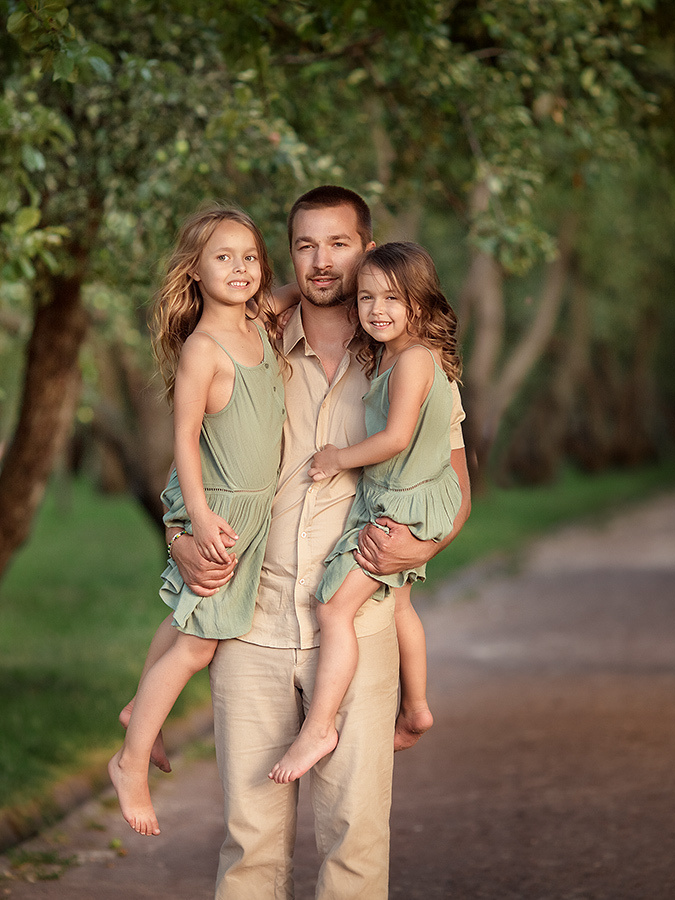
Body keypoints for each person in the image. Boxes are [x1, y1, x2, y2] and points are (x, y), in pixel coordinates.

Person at [168, 186, 471, 899]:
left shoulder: (406, 356)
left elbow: (456, 483)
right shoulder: (250, 345)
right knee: (249, 841)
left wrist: (424, 548)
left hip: (359, 622)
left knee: (355, 839)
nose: (322, 261)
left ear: (368, 250)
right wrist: (181, 537)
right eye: (305, 246)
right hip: (253, 623)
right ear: (289, 255)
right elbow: (196, 464)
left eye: (339, 244)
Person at [109, 205, 286, 837]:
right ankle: (129, 765)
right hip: (220, 507)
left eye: (250, 257)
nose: (240, 268)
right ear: (194, 271)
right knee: (199, 643)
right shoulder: (203, 350)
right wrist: (202, 518)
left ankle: (140, 710)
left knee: (187, 616)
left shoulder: (261, 324)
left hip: (249, 507)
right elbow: (184, 439)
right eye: (223, 257)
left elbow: (299, 293)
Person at [268, 241, 463, 785]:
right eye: (366, 298)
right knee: (399, 605)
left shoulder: (415, 360)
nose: (377, 310)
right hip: (400, 495)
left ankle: (319, 727)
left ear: (419, 303)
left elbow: (396, 437)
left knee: (332, 608)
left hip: (402, 503)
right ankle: (416, 708)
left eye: (392, 299)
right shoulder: (396, 355)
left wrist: (337, 458)